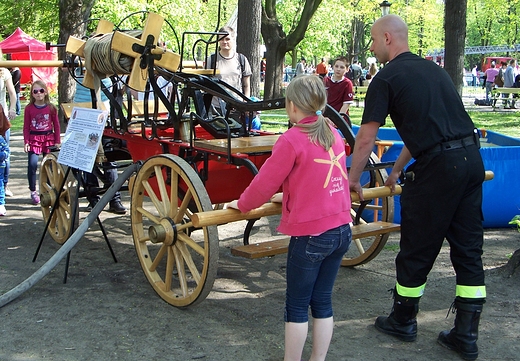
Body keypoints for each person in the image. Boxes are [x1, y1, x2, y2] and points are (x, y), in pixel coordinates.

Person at [348, 15, 486, 361]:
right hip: (470, 160)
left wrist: (351, 180)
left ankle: (403, 319)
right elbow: (429, 128)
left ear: (388, 39)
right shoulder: (434, 71)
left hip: (440, 169)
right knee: (468, 249)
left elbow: (366, 137)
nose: (372, 48)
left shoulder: (386, 79)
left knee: (416, 247)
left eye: (374, 42)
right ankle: (466, 335)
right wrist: (396, 168)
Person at [226, 75, 352, 361]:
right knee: (322, 301)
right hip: (341, 229)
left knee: (296, 305)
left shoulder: (292, 138)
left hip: (311, 236)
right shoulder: (333, 131)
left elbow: (264, 184)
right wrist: (290, 195)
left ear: (293, 106)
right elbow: (326, 177)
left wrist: (242, 205)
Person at [73, 76, 127, 214]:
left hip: (103, 112)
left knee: (108, 157)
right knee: (88, 157)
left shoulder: (106, 69)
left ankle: (114, 199)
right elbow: (67, 66)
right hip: (84, 112)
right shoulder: (81, 66)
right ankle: (93, 199)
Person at [23, 80, 61, 205]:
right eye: (35, 91)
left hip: (48, 139)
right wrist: (26, 141)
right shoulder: (29, 109)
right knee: (32, 165)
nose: (38, 93)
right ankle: (33, 191)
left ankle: (49, 190)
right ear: (32, 94)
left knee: (49, 166)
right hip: (34, 140)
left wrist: (57, 141)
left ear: (45, 92)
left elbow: (56, 125)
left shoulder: (51, 108)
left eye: (41, 91)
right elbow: (26, 126)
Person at [206, 26, 252, 120]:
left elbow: (246, 85)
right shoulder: (211, 60)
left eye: (227, 38)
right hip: (217, 108)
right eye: (221, 39)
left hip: (237, 107)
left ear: (233, 39)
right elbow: (206, 85)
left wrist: (245, 103)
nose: (224, 42)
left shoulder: (241, 59)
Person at [0, 53, 18, 198]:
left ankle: (5, 184)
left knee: (4, 152)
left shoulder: (4, 72)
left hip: (2, 117)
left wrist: (12, 108)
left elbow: (12, 93)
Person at [0, 104, 9, 216]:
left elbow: (6, 151)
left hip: (0, 167)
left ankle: (1, 204)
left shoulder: (1, 139)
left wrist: (2, 155)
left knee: (0, 185)